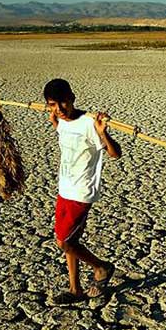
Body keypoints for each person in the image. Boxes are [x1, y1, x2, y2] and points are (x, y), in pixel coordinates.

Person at [44, 78, 122, 304]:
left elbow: (115, 154)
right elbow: (65, 132)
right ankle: (75, 289)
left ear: (72, 98)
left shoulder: (88, 123)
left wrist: (102, 132)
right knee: (72, 240)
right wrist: (55, 121)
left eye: (63, 103)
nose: (59, 109)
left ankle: (101, 268)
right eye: (52, 105)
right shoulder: (61, 121)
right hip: (64, 188)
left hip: (81, 192)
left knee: (64, 241)